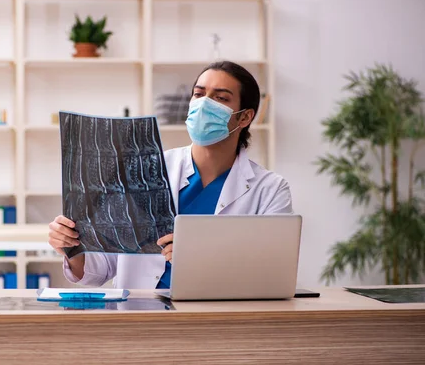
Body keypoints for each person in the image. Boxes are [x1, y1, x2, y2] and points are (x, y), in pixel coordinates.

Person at [48, 60, 293, 289]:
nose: (204, 103)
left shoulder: (269, 190)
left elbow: (273, 276)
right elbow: (101, 269)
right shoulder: (142, 170)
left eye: (220, 98)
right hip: (141, 319)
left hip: (218, 320)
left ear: (245, 117)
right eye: (198, 94)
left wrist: (205, 259)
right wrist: (73, 248)